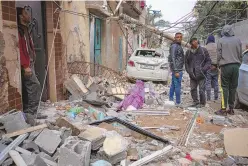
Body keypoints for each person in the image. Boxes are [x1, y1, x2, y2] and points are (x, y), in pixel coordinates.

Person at [17, 7, 42, 123]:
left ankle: (33, 112)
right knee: (34, 85)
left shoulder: (27, 28)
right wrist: (25, 65)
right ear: (21, 16)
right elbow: (20, 49)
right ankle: (30, 113)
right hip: (26, 64)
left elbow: (29, 46)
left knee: (33, 86)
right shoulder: (19, 30)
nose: (28, 15)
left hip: (30, 62)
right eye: (25, 13)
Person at [215, 25, 242, 115]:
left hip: (226, 66)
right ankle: (231, 108)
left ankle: (223, 109)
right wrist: (238, 63)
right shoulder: (238, 40)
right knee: (233, 87)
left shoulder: (221, 40)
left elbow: (219, 55)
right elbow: (240, 54)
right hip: (236, 66)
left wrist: (218, 64)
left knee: (224, 87)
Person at [185, 38, 211, 107]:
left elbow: (208, 61)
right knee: (193, 89)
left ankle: (202, 103)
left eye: (196, 41)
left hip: (201, 74)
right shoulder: (188, 52)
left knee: (201, 89)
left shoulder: (203, 50)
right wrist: (188, 71)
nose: (195, 42)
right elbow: (186, 63)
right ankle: (195, 102)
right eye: (193, 41)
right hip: (192, 74)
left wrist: (204, 69)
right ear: (191, 43)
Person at [168, 32, 184, 105]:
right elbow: (173, 58)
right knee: (177, 86)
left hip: (178, 69)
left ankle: (171, 100)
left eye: (180, 37)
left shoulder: (178, 46)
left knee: (174, 85)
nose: (179, 38)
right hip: (177, 69)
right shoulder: (174, 46)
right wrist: (176, 71)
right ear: (174, 38)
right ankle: (178, 102)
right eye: (177, 37)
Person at [205, 35, 219, 101]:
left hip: (208, 67)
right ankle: (216, 97)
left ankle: (208, 98)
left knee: (208, 82)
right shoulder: (217, 46)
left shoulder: (206, 47)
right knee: (216, 82)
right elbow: (219, 56)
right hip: (216, 67)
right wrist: (216, 66)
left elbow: (204, 58)